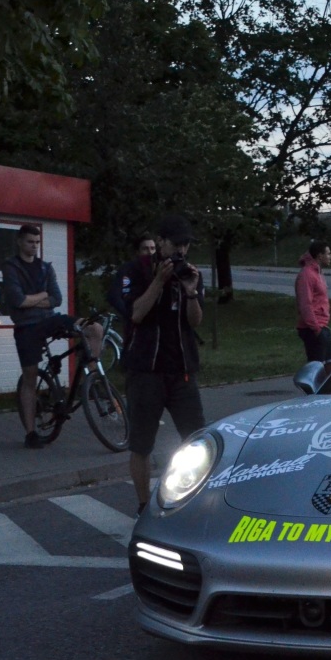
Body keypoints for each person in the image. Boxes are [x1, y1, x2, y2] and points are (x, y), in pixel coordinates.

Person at [117, 214, 206, 515]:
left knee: (198, 440)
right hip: (145, 372)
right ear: (161, 243)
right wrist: (158, 281)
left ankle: (193, 500)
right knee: (141, 444)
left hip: (181, 371)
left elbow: (195, 321)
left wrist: (191, 290)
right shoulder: (135, 272)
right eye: (176, 245)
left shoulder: (190, 273)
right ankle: (143, 505)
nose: (181, 252)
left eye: (186, 246)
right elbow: (136, 314)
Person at [2, 224, 103, 449]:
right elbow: (18, 300)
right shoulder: (11, 267)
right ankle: (30, 433)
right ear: (20, 241)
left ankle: (92, 378)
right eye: (30, 242)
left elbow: (56, 298)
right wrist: (43, 295)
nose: (34, 246)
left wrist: (35, 299)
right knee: (29, 378)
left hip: (50, 319)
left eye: (37, 242)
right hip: (26, 326)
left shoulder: (46, 268)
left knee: (94, 328)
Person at [295, 239, 331, 368]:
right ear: (319, 255)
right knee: (318, 369)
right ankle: (314, 389)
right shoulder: (307, 275)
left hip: (322, 326)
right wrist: (316, 329)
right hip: (312, 328)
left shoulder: (317, 272)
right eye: (328, 254)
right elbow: (305, 304)